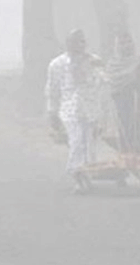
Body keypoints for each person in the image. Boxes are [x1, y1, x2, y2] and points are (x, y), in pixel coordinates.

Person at [45, 29, 105, 194]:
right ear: (67, 44)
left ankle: (87, 175)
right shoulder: (57, 64)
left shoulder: (94, 61)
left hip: (91, 108)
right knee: (76, 141)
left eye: (81, 41)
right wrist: (52, 112)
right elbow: (52, 90)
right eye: (73, 42)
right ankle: (77, 176)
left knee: (89, 145)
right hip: (69, 109)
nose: (78, 45)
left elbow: (102, 85)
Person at [105, 31, 140, 154]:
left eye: (129, 41)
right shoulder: (112, 65)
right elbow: (111, 83)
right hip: (121, 104)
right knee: (124, 131)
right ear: (116, 46)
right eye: (122, 43)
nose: (126, 45)